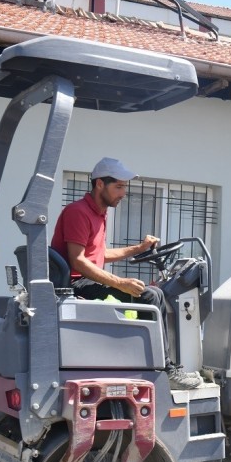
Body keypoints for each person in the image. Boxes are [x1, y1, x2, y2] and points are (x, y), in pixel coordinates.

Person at [52, 157, 202, 390]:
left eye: (125, 187)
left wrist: (138, 249)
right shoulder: (78, 212)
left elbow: (98, 255)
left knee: (149, 292)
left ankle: (148, 362)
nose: (123, 193)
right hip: (75, 285)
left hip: (84, 279)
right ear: (100, 184)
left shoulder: (99, 213)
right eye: (119, 187)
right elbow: (78, 261)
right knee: (151, 296)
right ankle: (163, 369)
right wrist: (120, 283)